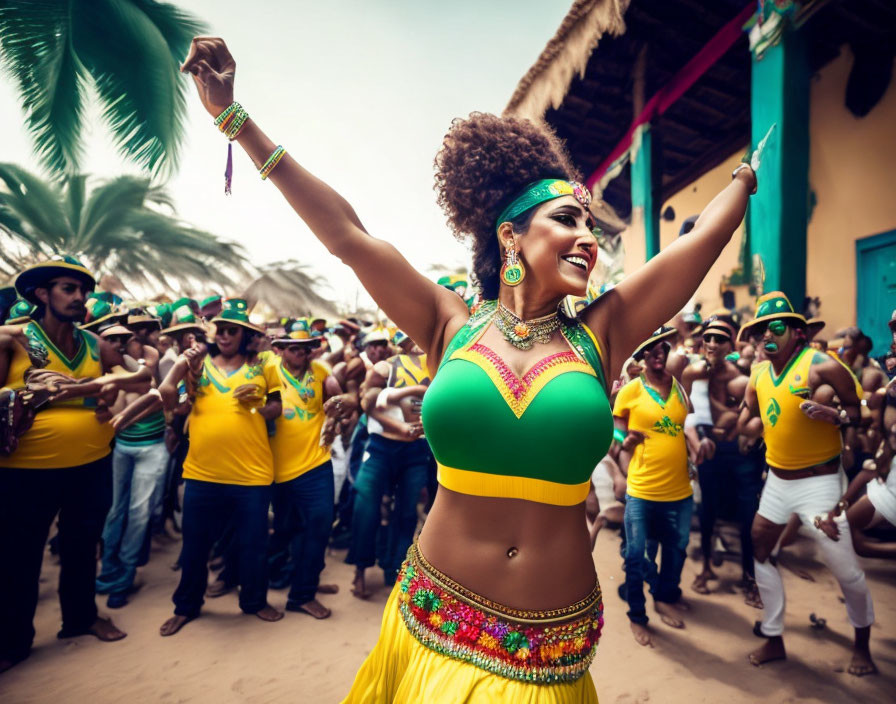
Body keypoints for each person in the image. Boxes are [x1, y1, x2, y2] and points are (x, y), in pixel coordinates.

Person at [180, 37, 754, 701]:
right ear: (511, 234)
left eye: (591, 225)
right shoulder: (447, 322)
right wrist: (232, 117)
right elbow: (346, 235)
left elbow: (703, 239)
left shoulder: (603, 334)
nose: (588, 238)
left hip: (546, 646)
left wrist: (744, 177)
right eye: (567, 218)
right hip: (433, 618)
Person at [0, 257, 151, 673]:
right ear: (43, 294)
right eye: (69, 288)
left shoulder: (94, 343)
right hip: (25, 472)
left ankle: (80, 619)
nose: (80, 297)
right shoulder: (16, 340)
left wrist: (103, 385)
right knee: (20, 555)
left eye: (83, 290)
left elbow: (142, 380)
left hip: (91, 464)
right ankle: (13, 640)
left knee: (83, 546)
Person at [736, 292, 876, 675]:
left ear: (797, 333)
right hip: (776, 481)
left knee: (844, 569)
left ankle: (862, 645)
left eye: (776, 327)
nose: (767, 334)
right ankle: (774, 635)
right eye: (760, 329)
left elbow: (864, 412)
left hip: (821, 484)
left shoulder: (821, 366)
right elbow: (752, 407)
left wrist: (837, 415)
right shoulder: (759, 372)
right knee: (761, 548)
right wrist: (745, 423)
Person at [157, 298, 283, 636]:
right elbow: (177, 405)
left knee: (253, 544)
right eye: (221, 330)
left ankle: (254, 601)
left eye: (233, 330)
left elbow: (276, 409)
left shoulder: (263, 366)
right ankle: (186, 606)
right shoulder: (198, 366)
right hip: (202, 472)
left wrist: (257, 402)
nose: (225, 335)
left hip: (252, 474)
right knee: (194, 545)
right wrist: (184, 392)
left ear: (244, 335)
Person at [613, 327, 696, 646]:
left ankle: (664, 596)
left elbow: (684, 426)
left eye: (661, 347)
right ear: (642, 356)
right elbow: (616, 434)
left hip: (680, 490)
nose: (657, 353)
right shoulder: (631, 391)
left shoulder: (679, 388)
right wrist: (627, 440)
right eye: (649, 349)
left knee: (676, 549)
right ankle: (638, 616)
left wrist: (697, 447)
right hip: (643, 489)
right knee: (636, 556)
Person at [269, 324, 352, 619]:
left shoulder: (319, 371)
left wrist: (338, 409)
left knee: (319, 525)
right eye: (294, 348)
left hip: (315, 463)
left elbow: (341, 403)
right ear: (279, 348)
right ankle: (289, 577)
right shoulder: (269, 370)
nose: (301, 354)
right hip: (277, 468)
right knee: (286, 528)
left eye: (305, 348)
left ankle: (303, 594)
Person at [682, 313, 763, 607]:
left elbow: (755, 416)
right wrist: (694, 442)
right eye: (708, 338)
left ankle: (749, 576)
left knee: (747, 514)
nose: (712, 343)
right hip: (709, 450)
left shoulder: (741, 380)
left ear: (730, 344)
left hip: (740, 456)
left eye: (720, 339)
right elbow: (684, 410)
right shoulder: (693, 373)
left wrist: (746, 434)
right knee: (707, 511)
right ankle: (704, 568)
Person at [346, 331, 430, 598]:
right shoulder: (387, 366)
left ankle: (396, 570)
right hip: (382, 446)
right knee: (365, 506)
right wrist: (399, 427)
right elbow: (368, 403)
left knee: (406, 513)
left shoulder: (439, 366)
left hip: (416, 450)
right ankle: (360, 570)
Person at [94, 324, 169, 608]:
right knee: (115, 512)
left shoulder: (148, 367)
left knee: (139, 514)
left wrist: (122, 415)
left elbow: (160, 395)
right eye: (110, 339)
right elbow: (105, 416)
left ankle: (124, 578)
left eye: (125, 338)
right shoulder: (106, 373)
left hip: (151, 449)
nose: (118, 343)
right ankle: (109, 571)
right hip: (123, 449)